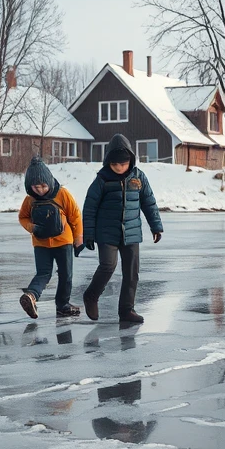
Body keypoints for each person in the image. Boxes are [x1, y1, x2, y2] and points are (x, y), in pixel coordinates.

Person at [81, 134, 163, 324]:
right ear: (108, 161)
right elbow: (89, 208)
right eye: (115, 164)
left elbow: (148, 202)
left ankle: (127, 310)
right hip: (106, 232)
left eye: (123, 164)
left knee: (132, 272)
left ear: (130, 161)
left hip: (131, 231)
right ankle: (91, 295)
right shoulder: (101, 179)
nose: (119, 168)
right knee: (108, 265)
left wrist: (156, 226)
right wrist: (89, 234)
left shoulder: (138, 177)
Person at [17, 157, 83, 319]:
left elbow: (75, 217)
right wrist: (32, 227)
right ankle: (31, 296)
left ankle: (63, 305)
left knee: (65, 275)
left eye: (44, 186)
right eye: (36, 187)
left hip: (64, 242)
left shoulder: (62, 194)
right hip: (41, 243)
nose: (40, 190)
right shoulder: (30, 199)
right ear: (29, 186)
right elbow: (23, 217)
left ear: (50, 182)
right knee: (43, 273)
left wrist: (78, 237)